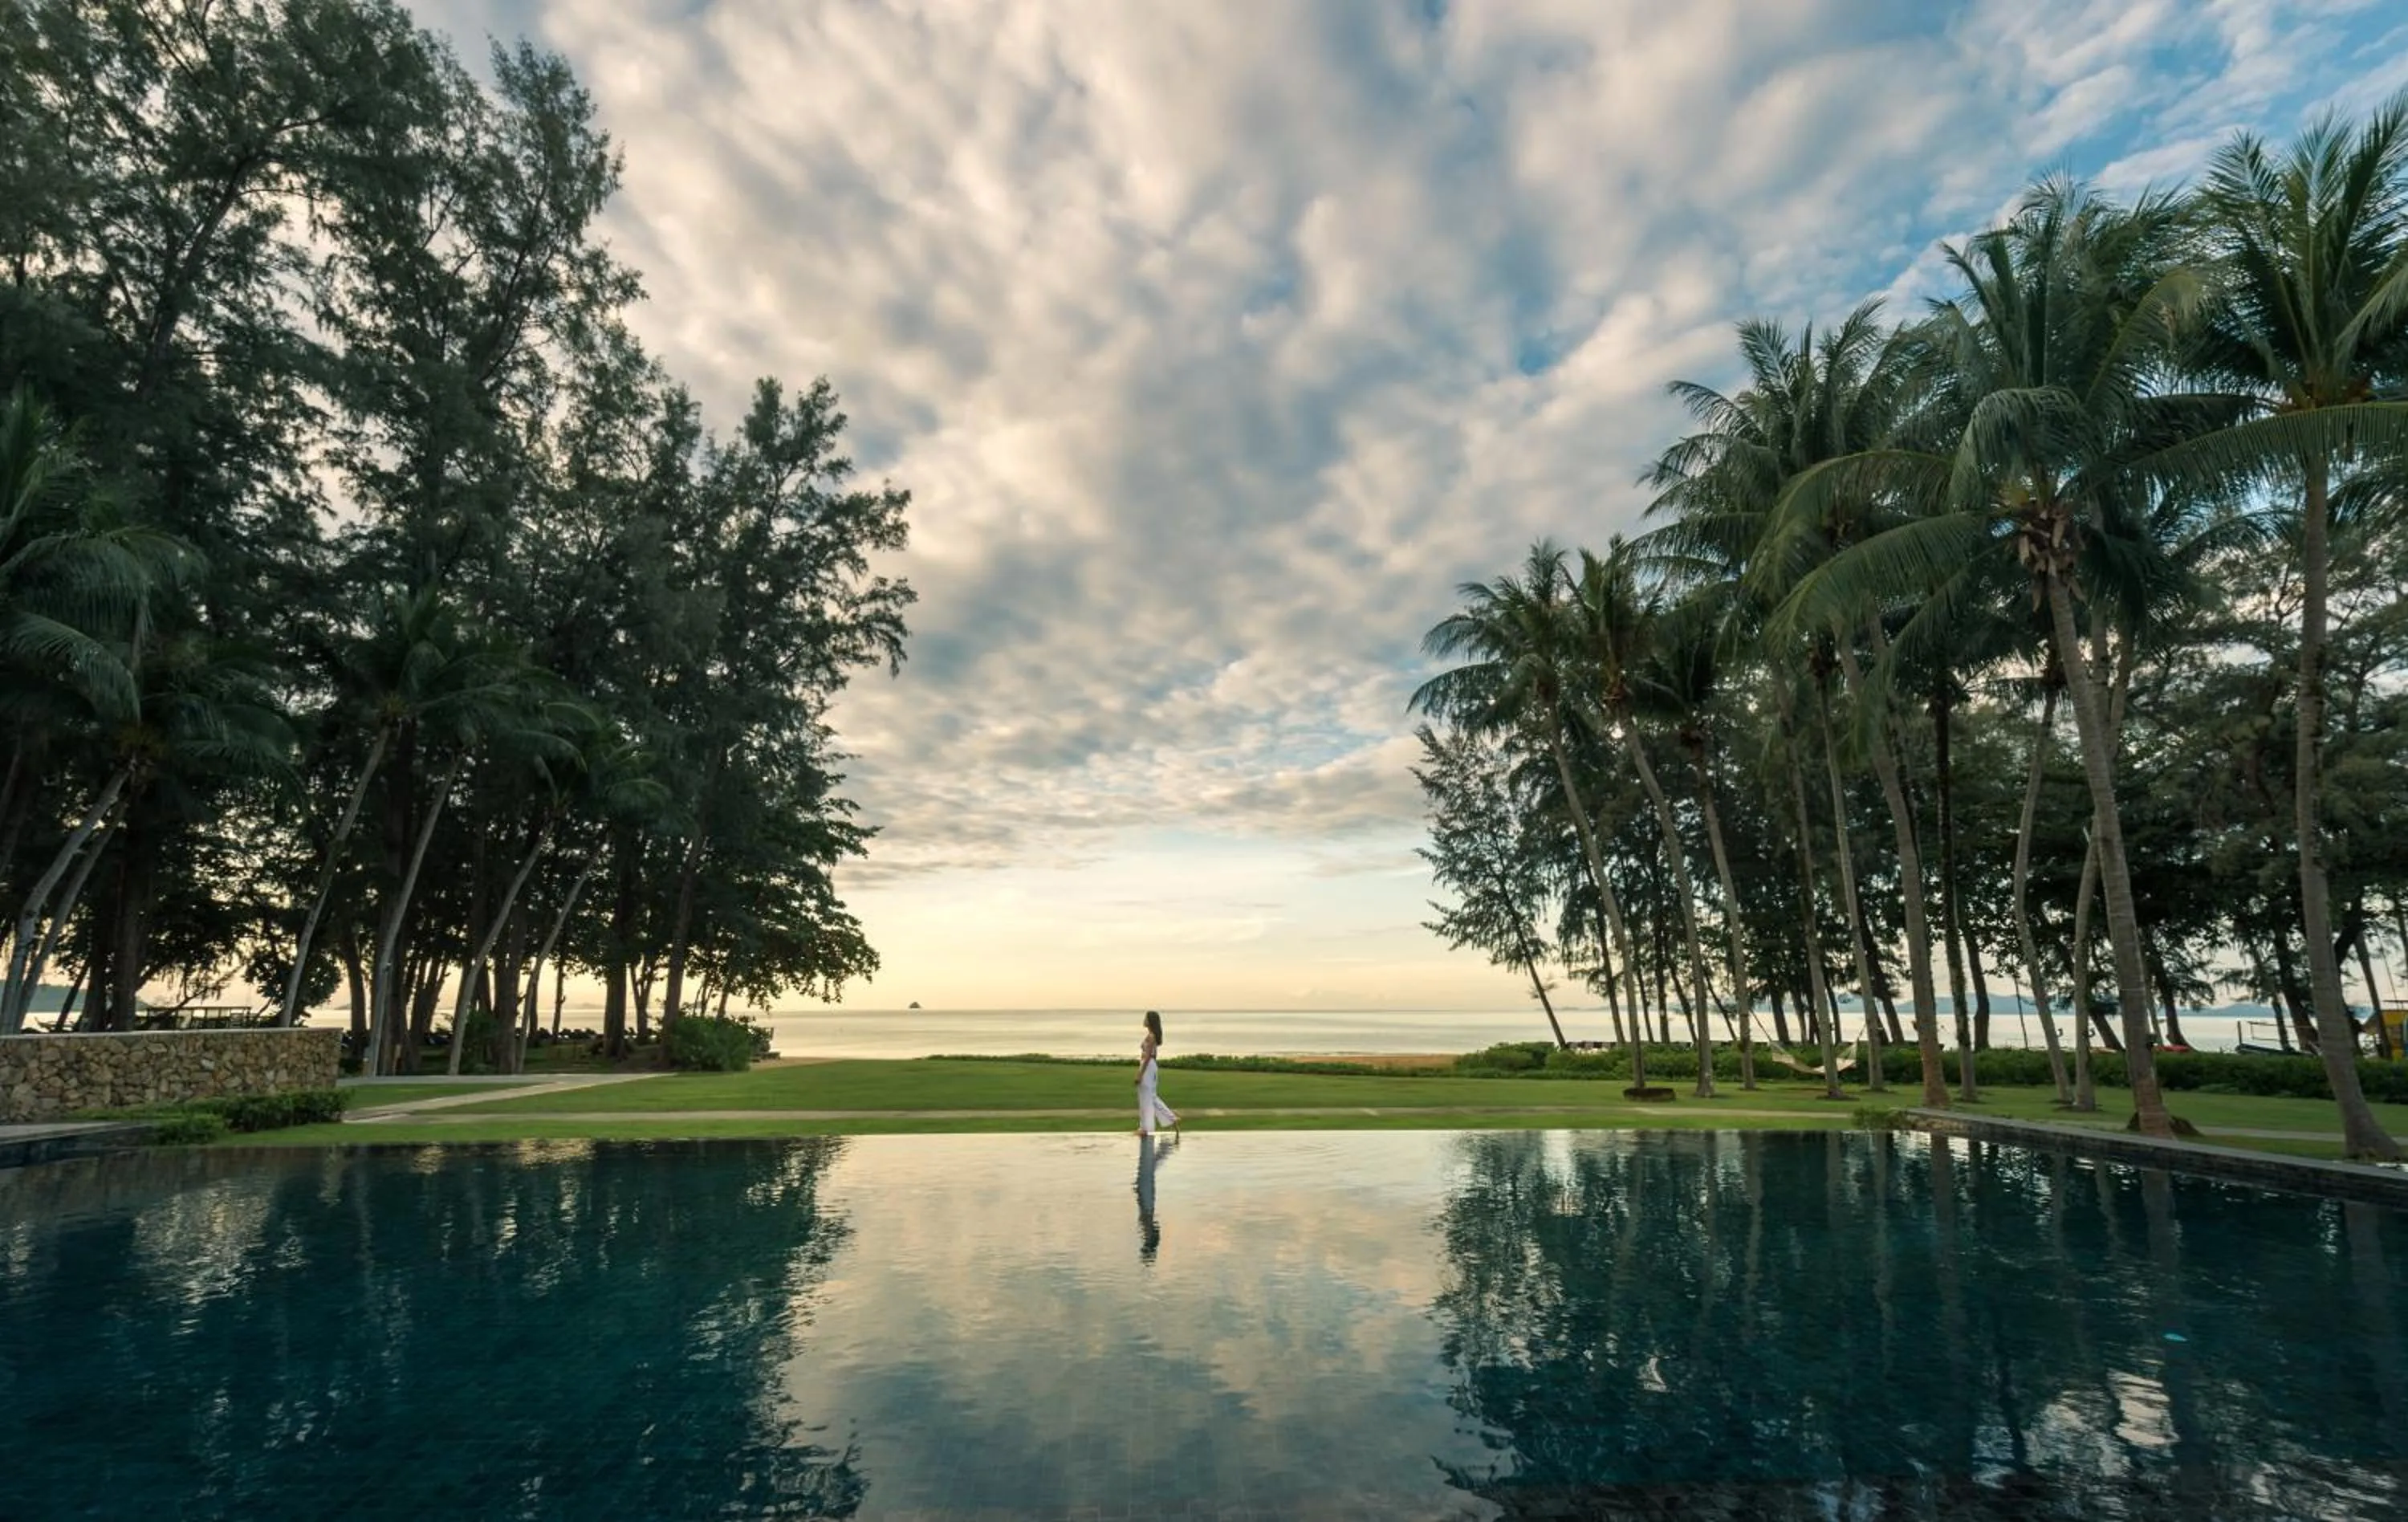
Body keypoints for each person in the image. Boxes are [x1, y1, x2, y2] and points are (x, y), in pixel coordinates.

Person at [1136, 1009, 1179, 1137]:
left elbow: (1148, 1056)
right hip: (1149, 1066)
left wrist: (1140, 1074)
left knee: (1146, 1098)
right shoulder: (1151, 1035)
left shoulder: (1151, 1036)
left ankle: (1146, 1128)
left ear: (1150, 1021)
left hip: (1148, 1066)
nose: (1144, 1020)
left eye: (1146, 1018)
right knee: (1151, 1096)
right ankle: (1171, 1118)